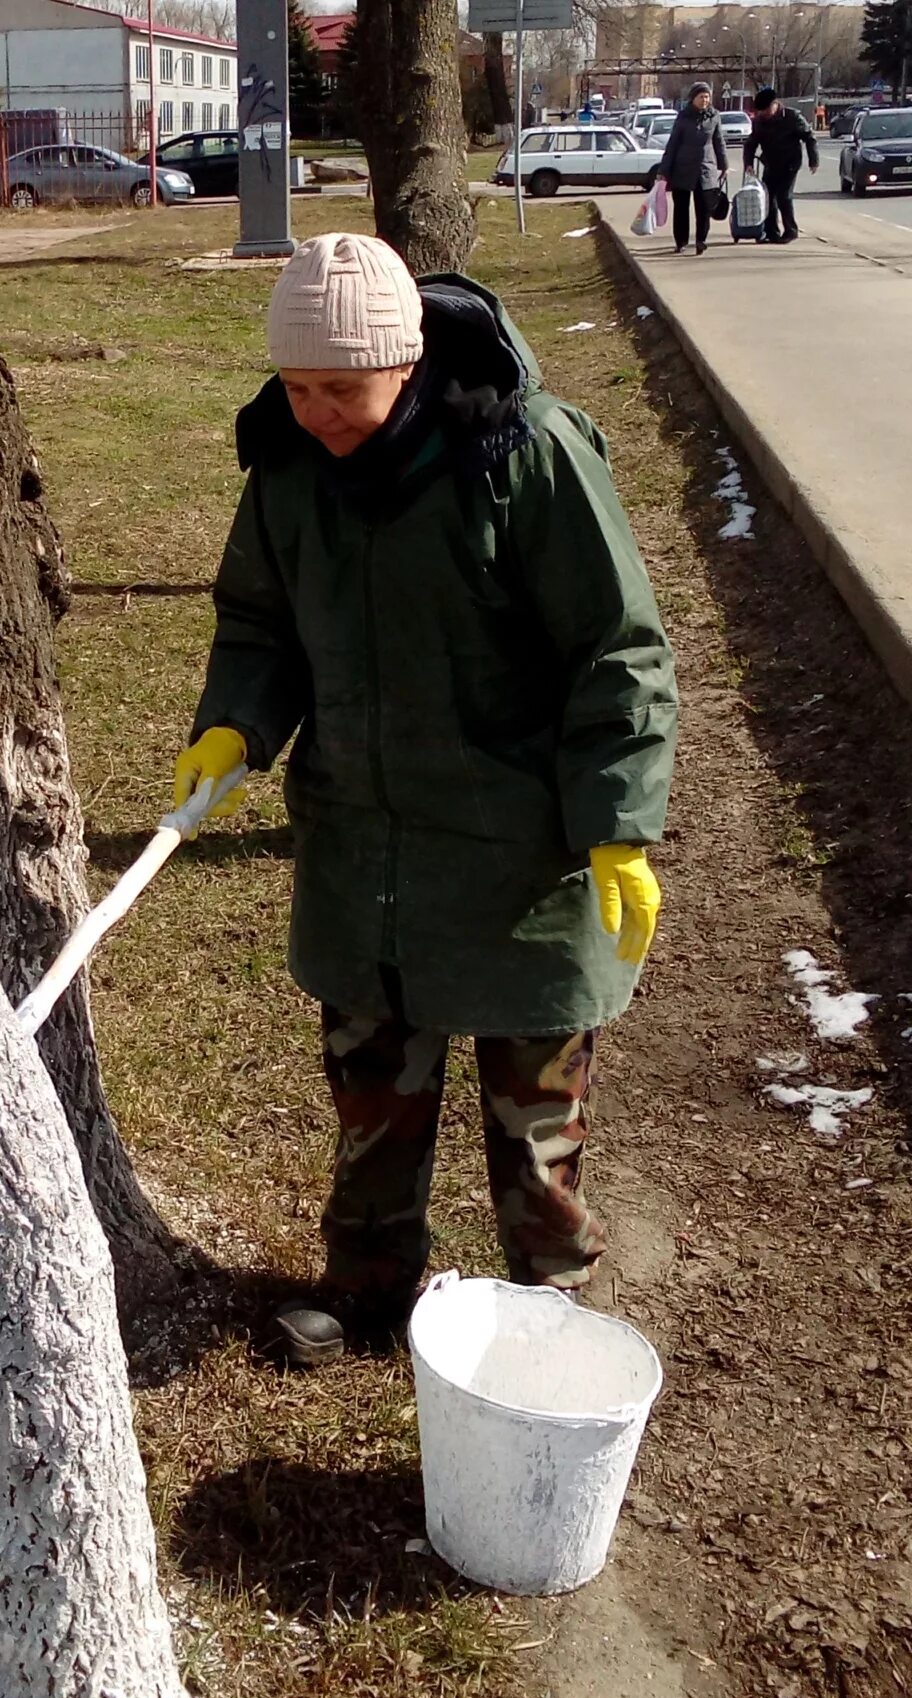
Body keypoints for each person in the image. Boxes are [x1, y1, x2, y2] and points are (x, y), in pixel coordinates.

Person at [172, 235, 678, 1367]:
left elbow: (619, 651)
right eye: (295, 390)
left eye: (340, 389)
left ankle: (549, 1319)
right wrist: (233, 723)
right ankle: (366, 1291)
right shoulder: (291, 470)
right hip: (366, 847)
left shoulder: (524, 455)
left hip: (520, 857)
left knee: (537, 1121)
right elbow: (260, 625)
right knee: (373, 1098)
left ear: (403, 363)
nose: (318, 415)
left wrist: (615, 829)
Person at [657, 83, 727, 256]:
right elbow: (672, 145)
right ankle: (681, 241)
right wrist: (663, 171)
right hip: (683, 168)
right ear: (693, 98)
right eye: (701, 96)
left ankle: (701, 241)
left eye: (707, 97)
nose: (705, 100)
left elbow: (719, 141)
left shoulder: (714, 116)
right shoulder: (683, 117)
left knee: (703, 209)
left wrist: (723, 165)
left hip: (705, 169)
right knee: (681, 208)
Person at [745, 87, 819, 244]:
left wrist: (813, 160)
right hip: (770, 163)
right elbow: (751, 143)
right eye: (761, 111)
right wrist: (748, 163)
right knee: (768, 197)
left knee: (784, 196)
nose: (764, 113)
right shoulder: (759, 121)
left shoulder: (792, 116)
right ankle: (771, 232)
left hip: (790, 163)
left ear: (775, 104)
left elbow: (809, 137)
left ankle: (791, 230)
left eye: (766, 110)